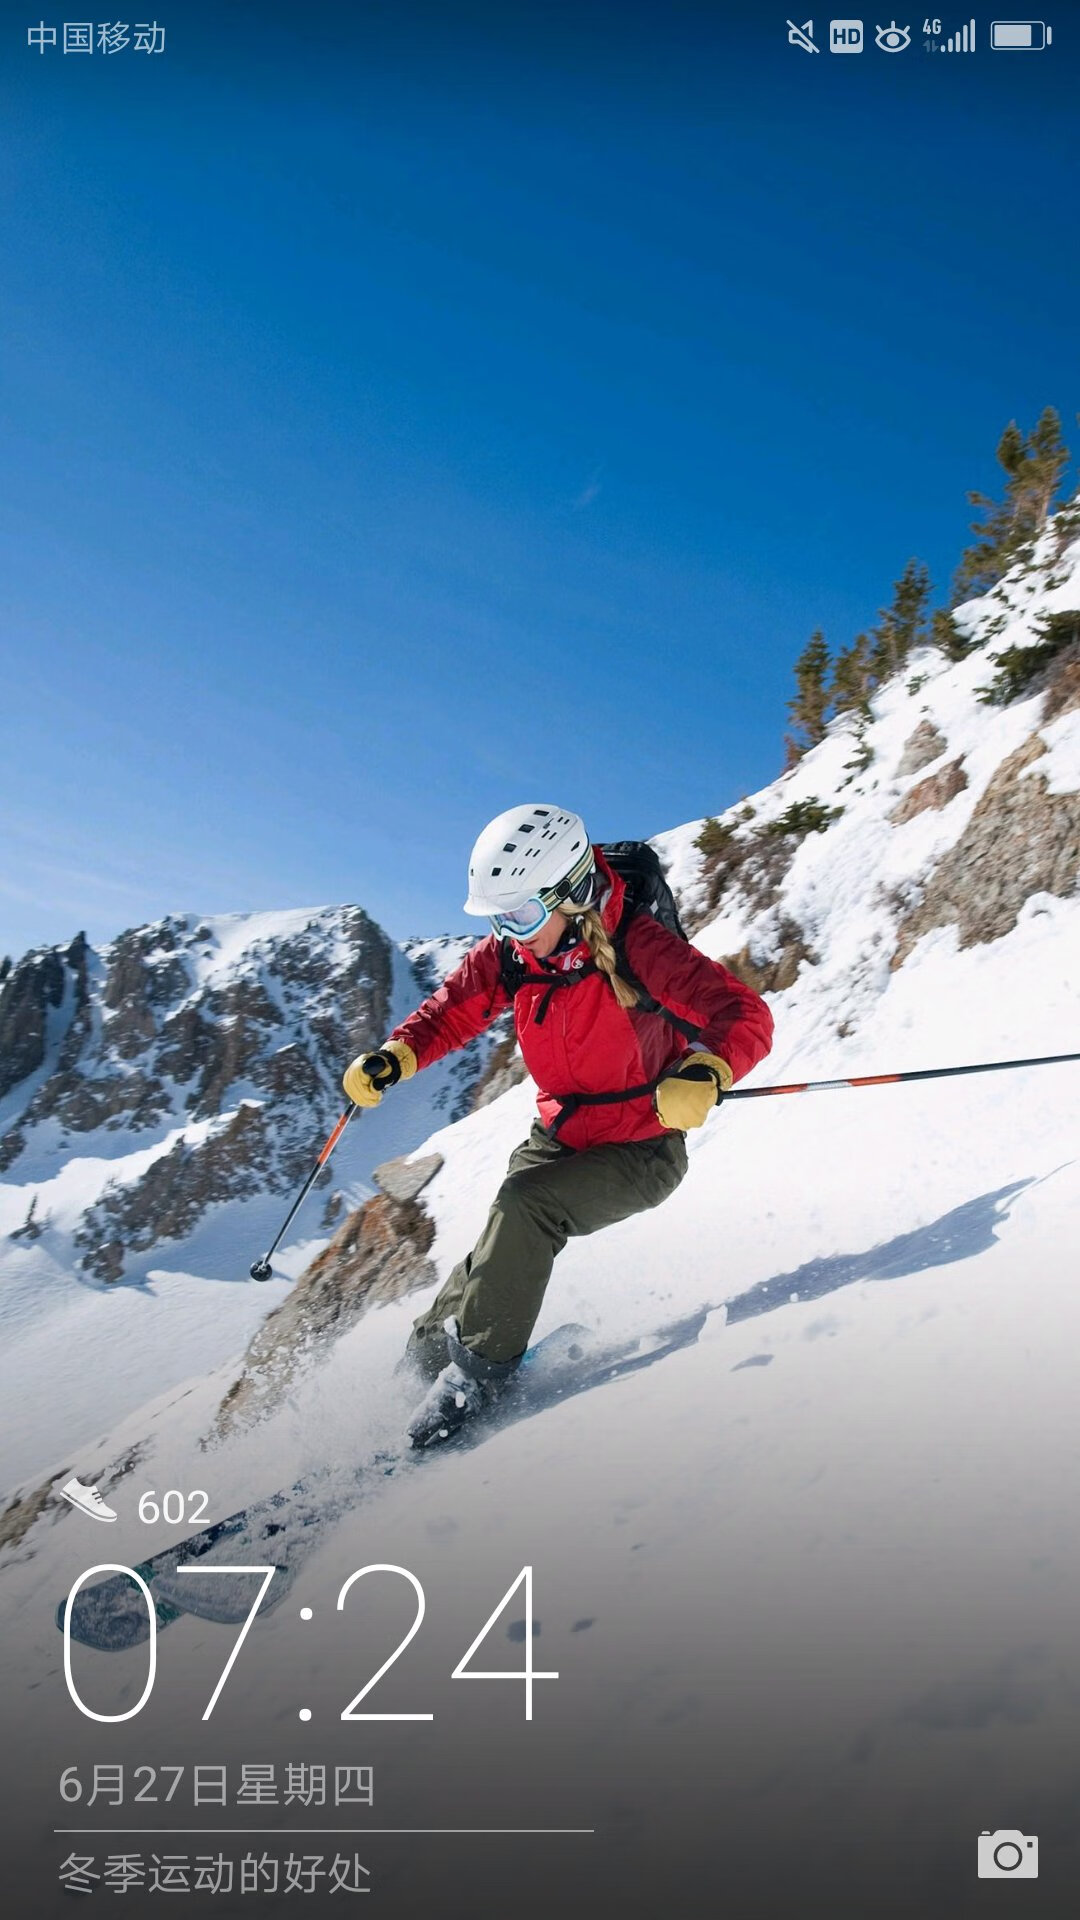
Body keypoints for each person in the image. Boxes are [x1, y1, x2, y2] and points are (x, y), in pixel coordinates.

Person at [342, 804, 774, 1445]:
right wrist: (395, 1056)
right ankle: (423, 1366)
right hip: (563, 1134)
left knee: (526, 1208)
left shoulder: (637, 944)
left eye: (521, 915)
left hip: (642, 1146)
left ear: (569, 894)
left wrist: (707, 1072)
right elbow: (454, 1007)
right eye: (499, 918)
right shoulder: (519, 953)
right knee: (496, 1250)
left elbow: (741, 1012)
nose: (511, 933)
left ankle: (476, 1380)